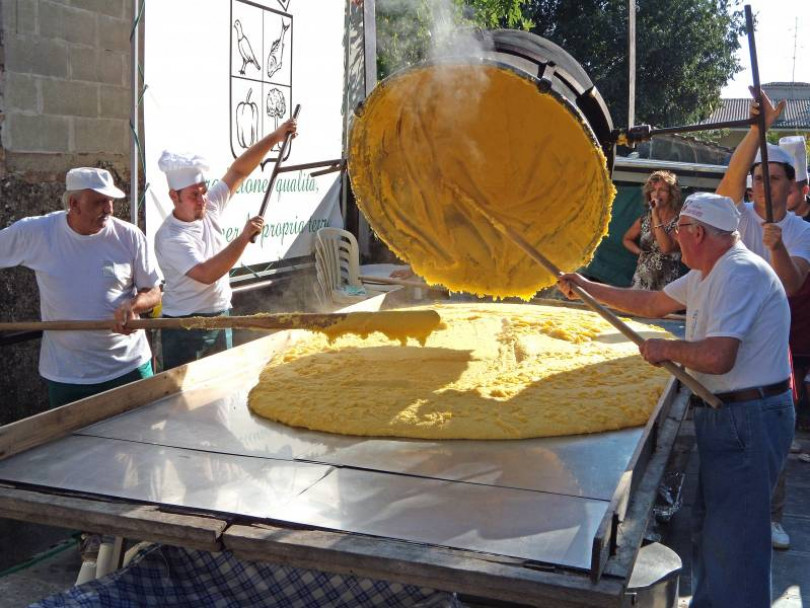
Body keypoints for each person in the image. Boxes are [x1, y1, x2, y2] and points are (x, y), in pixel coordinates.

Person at [558, 192, 794, 608]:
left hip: (748, 416)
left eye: (677, 230)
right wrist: (586, 288)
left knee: (734, 536)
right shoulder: (708, 271)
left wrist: (667, 350)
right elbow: (651, 302)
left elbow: (719, 356)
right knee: (714, 529)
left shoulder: (737, 273)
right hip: (731, 413)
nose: (672, 238)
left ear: (697, 232)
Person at [716, 93, 810, 550]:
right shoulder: (733, 218)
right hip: (725, 343)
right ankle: (723, 510)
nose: (761, 185)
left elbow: (792, 284)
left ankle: (771, 516)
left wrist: (775, 247)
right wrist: (758, 127)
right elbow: (725, 188)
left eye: (772, 178)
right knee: (725, 431)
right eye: (758, 176)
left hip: (772, 351)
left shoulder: (800, 231)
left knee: (771, 437)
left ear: (789, 189)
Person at [0, 168, 162, 407]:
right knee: (73, 445)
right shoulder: (36, 234)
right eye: (99, 202)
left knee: (144, 440)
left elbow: (154, 291)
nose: (108, 209)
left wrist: (133, 305)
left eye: (110, 201)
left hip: (128, 367)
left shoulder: (129, 236)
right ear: (74, 203)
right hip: (68, 376)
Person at [155, 118, 297, 370]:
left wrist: (276, 137)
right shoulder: (170, 237)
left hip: (221, 315)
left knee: (220, 391)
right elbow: (207, 274)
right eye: (193, 195)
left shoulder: (208, 206)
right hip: (186, 328)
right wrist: (242, 239)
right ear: (174, 196)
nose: (202, 200)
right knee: (184, 403)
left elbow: (239, 172)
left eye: (203, 191)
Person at [622, 170, 687, 290]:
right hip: (641, 283)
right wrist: (639, 252)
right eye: (653, 190)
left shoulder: (680, 220)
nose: (656, 194)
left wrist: (656, 216)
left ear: (672, 193)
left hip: (666, 285)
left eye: (662, 190)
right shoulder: (644, 219)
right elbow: (627, 239)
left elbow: (666, 248)